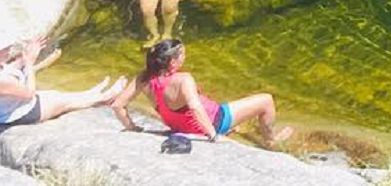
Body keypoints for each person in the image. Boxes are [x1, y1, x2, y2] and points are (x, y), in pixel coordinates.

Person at [110, 38, 291, 146]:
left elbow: (118, 105)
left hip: (178, 127)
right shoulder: (183, 79)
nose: (185, 57)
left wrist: (132, 128)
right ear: (173, 62)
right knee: (266, 100)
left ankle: (234, 128)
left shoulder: (145, 77)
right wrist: (213, 136)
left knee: (230, 116)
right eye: (182, 55)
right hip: (214, 121)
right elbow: (196, 109)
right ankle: (271, 141)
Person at [0, 38, 125, 131]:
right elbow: (29, 93)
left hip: (1, 113)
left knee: (56, 94)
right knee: (64, 103)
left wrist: (28, 54)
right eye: (4, 49)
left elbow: (9, 69)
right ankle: (104, 97)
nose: (8, 50)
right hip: (18, 117)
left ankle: (92, 92)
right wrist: (29, 65)